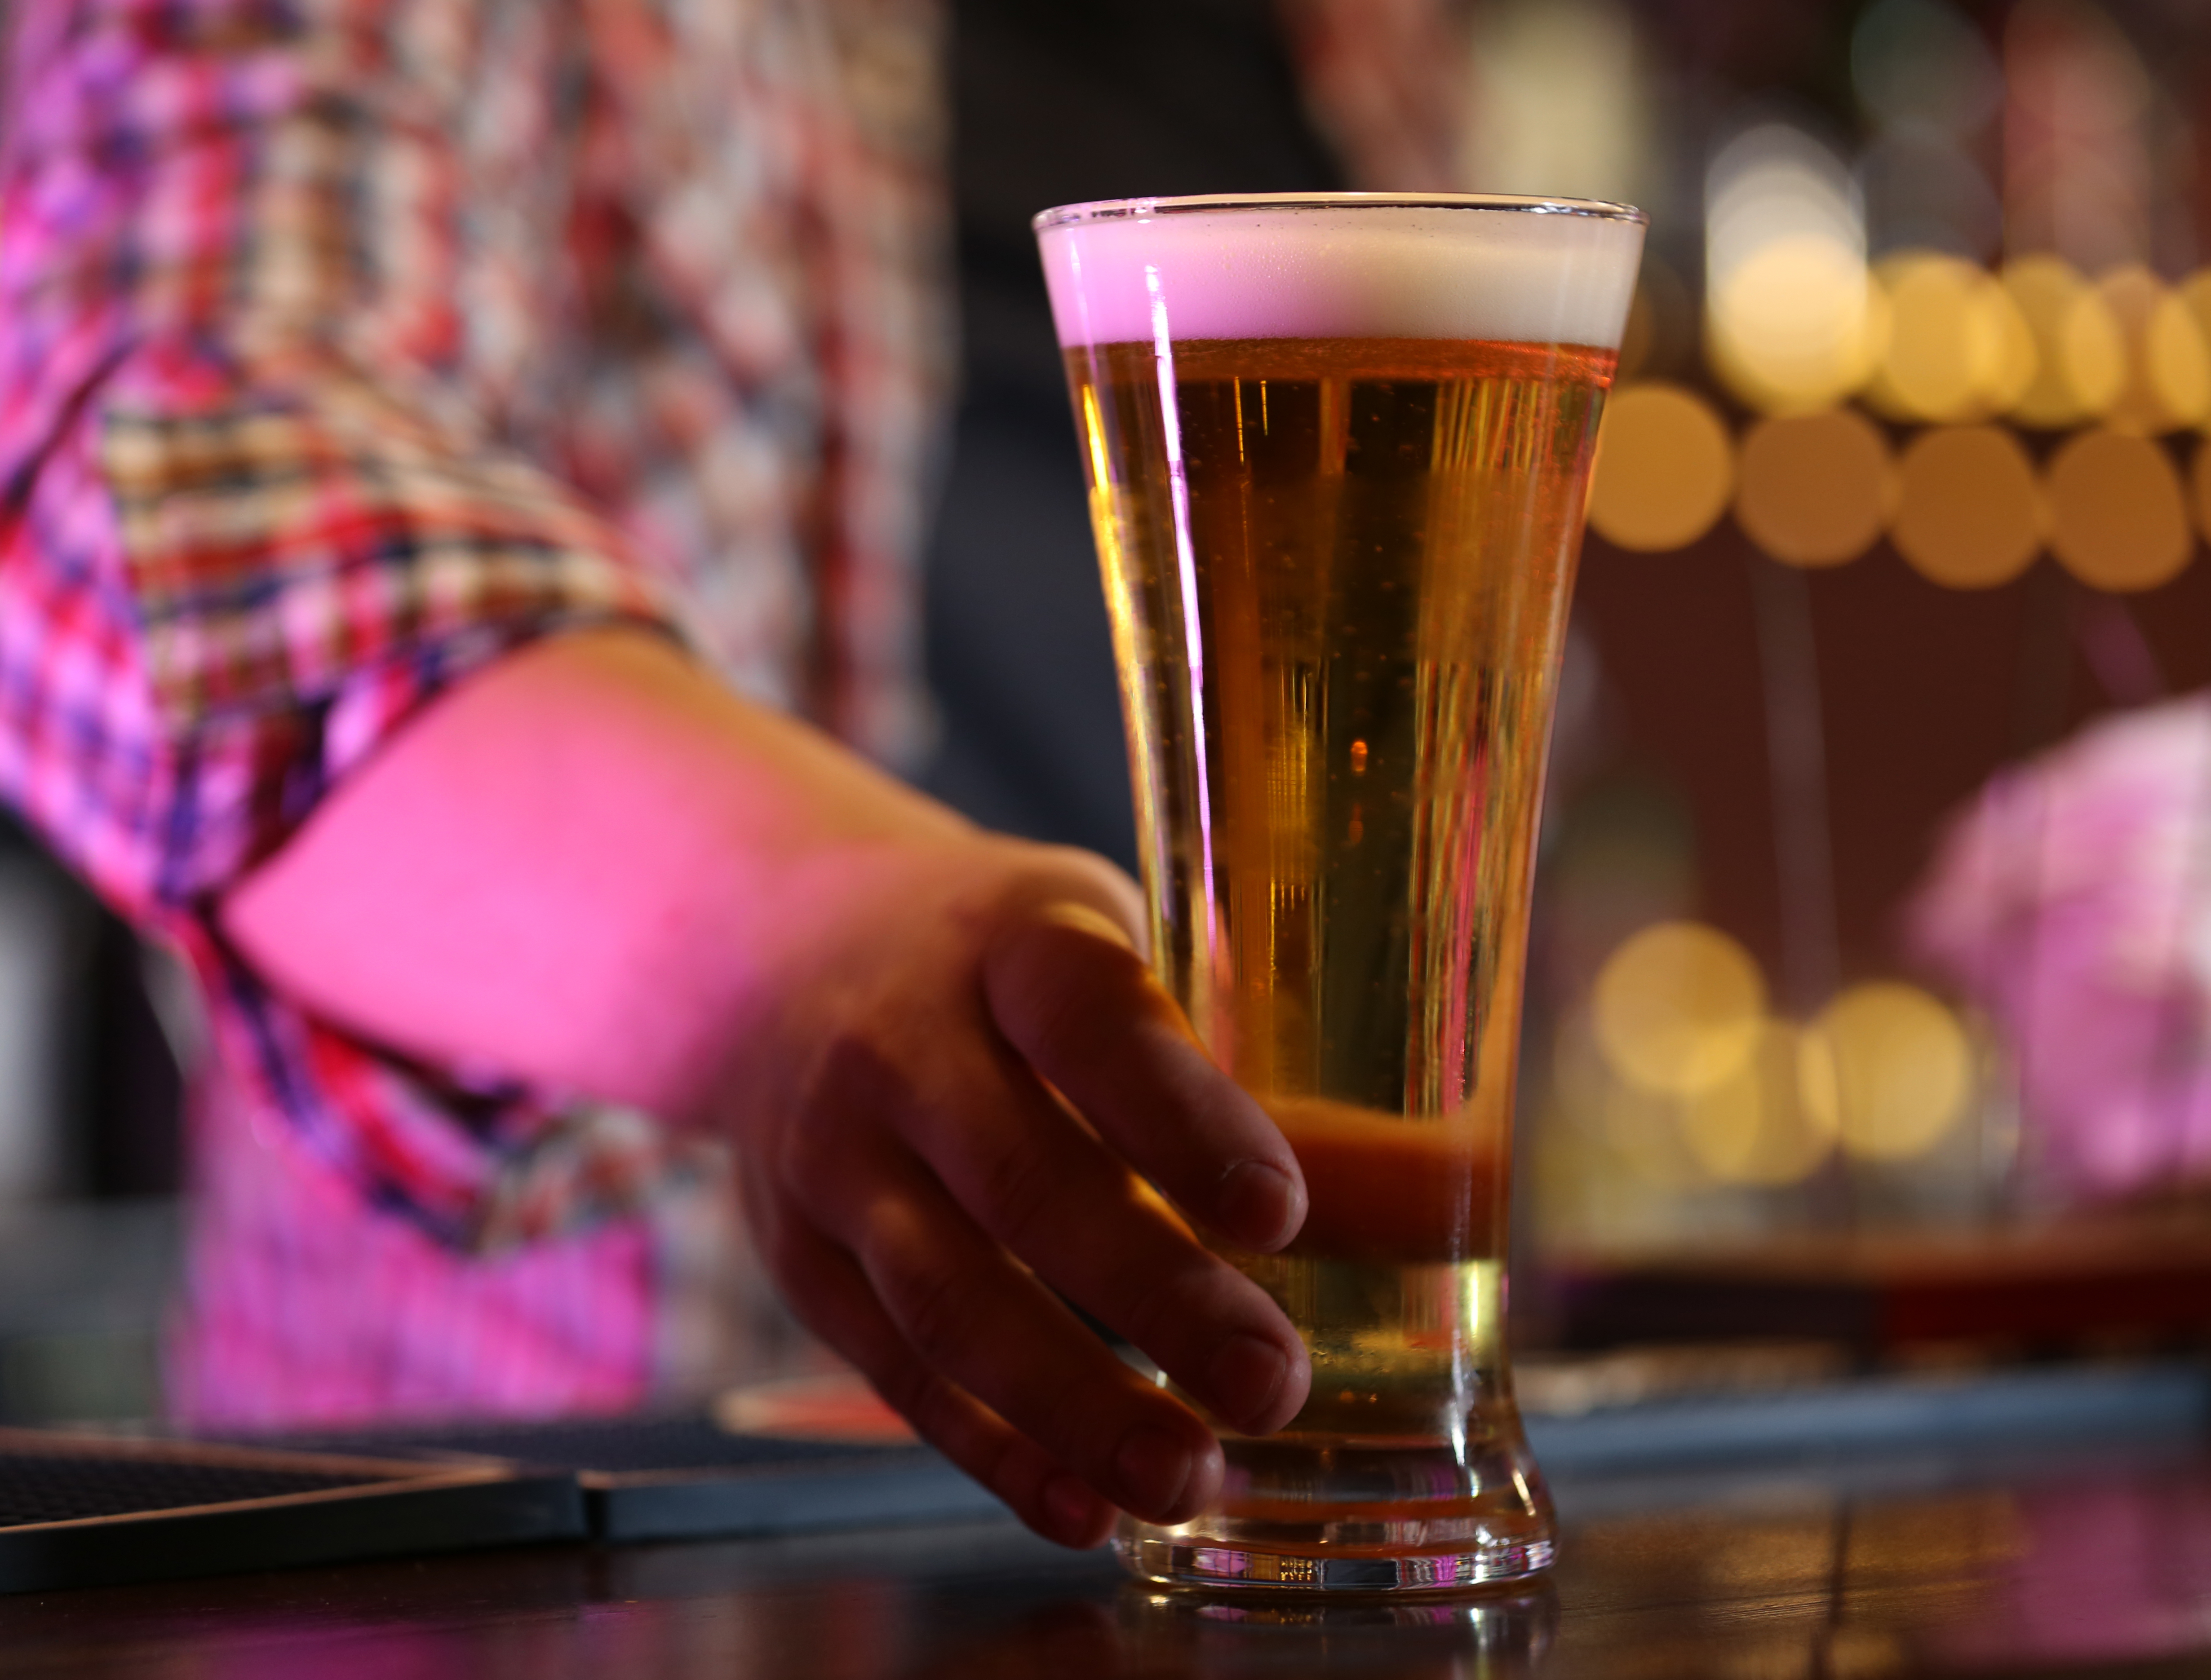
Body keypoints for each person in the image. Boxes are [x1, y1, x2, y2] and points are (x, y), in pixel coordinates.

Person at [0, 0, 1458, 1549]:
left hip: (1303, 1486)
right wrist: (805, 942)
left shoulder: (1367, 42)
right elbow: (176, 482)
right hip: (561, 1545)